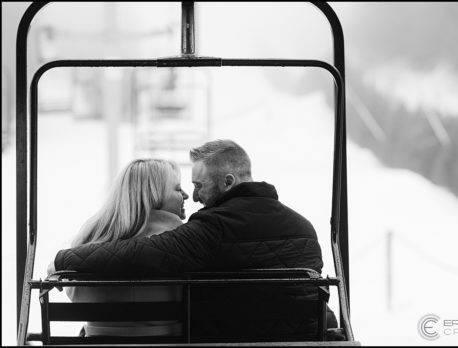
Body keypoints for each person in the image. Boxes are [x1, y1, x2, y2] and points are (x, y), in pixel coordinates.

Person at [50, 139, 337, 336]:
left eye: (199, 185)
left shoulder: (212, 228)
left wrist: (66, 258)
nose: (195, 196)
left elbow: (145, 253)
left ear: (228, 182)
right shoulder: (305, 227)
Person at [63, 158, 189, 337]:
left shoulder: (91, 235)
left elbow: (74, 295)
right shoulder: (181, 238)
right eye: (177, 188)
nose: (186, 195)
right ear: (154, 195)